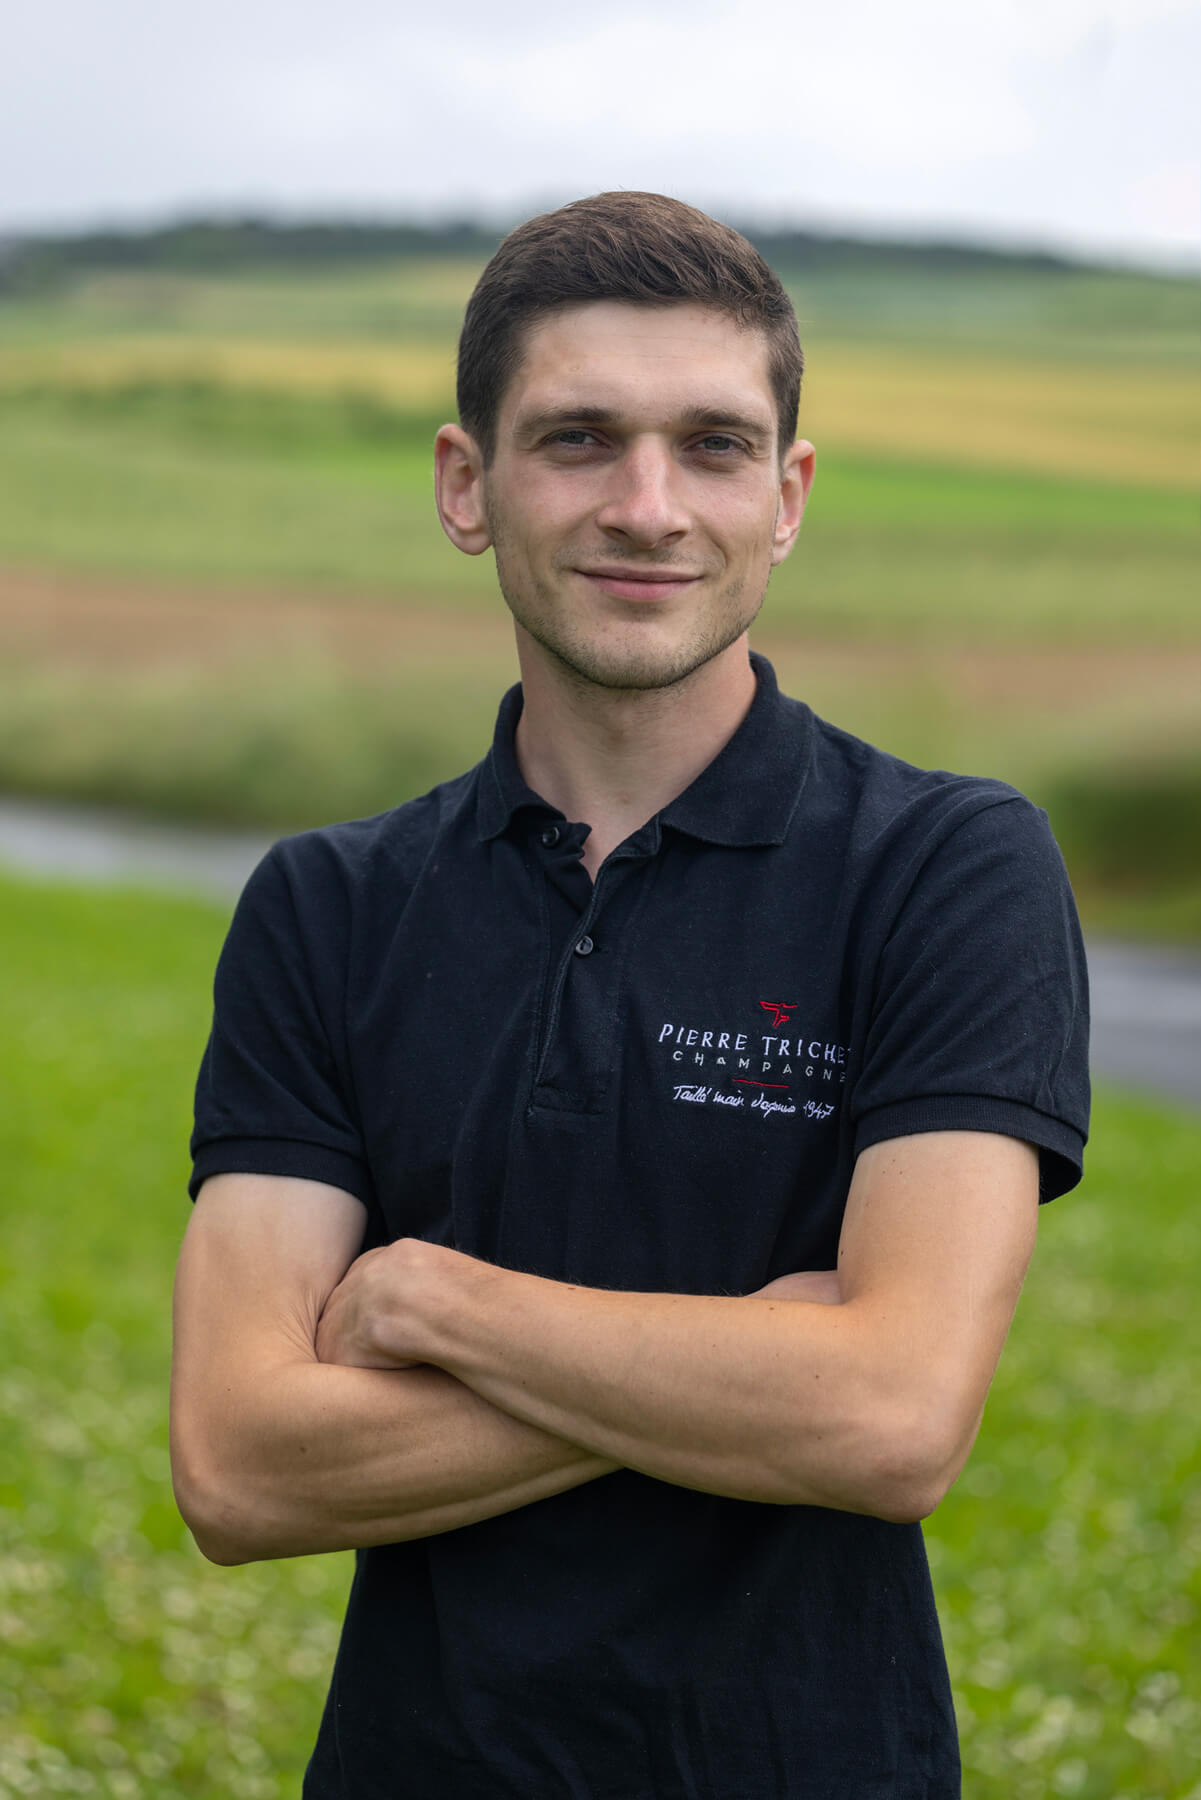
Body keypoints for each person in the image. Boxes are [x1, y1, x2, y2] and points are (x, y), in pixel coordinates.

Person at [171, 192, 1090, 1799]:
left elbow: (890, 1423)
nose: (648, 506)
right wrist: (772, 1355)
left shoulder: (947, 864)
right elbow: (242, 1467)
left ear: (787, 497)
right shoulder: (327, 906)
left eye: (714, 447)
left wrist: (440, 1307)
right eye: (579, 438)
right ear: (469, 485)